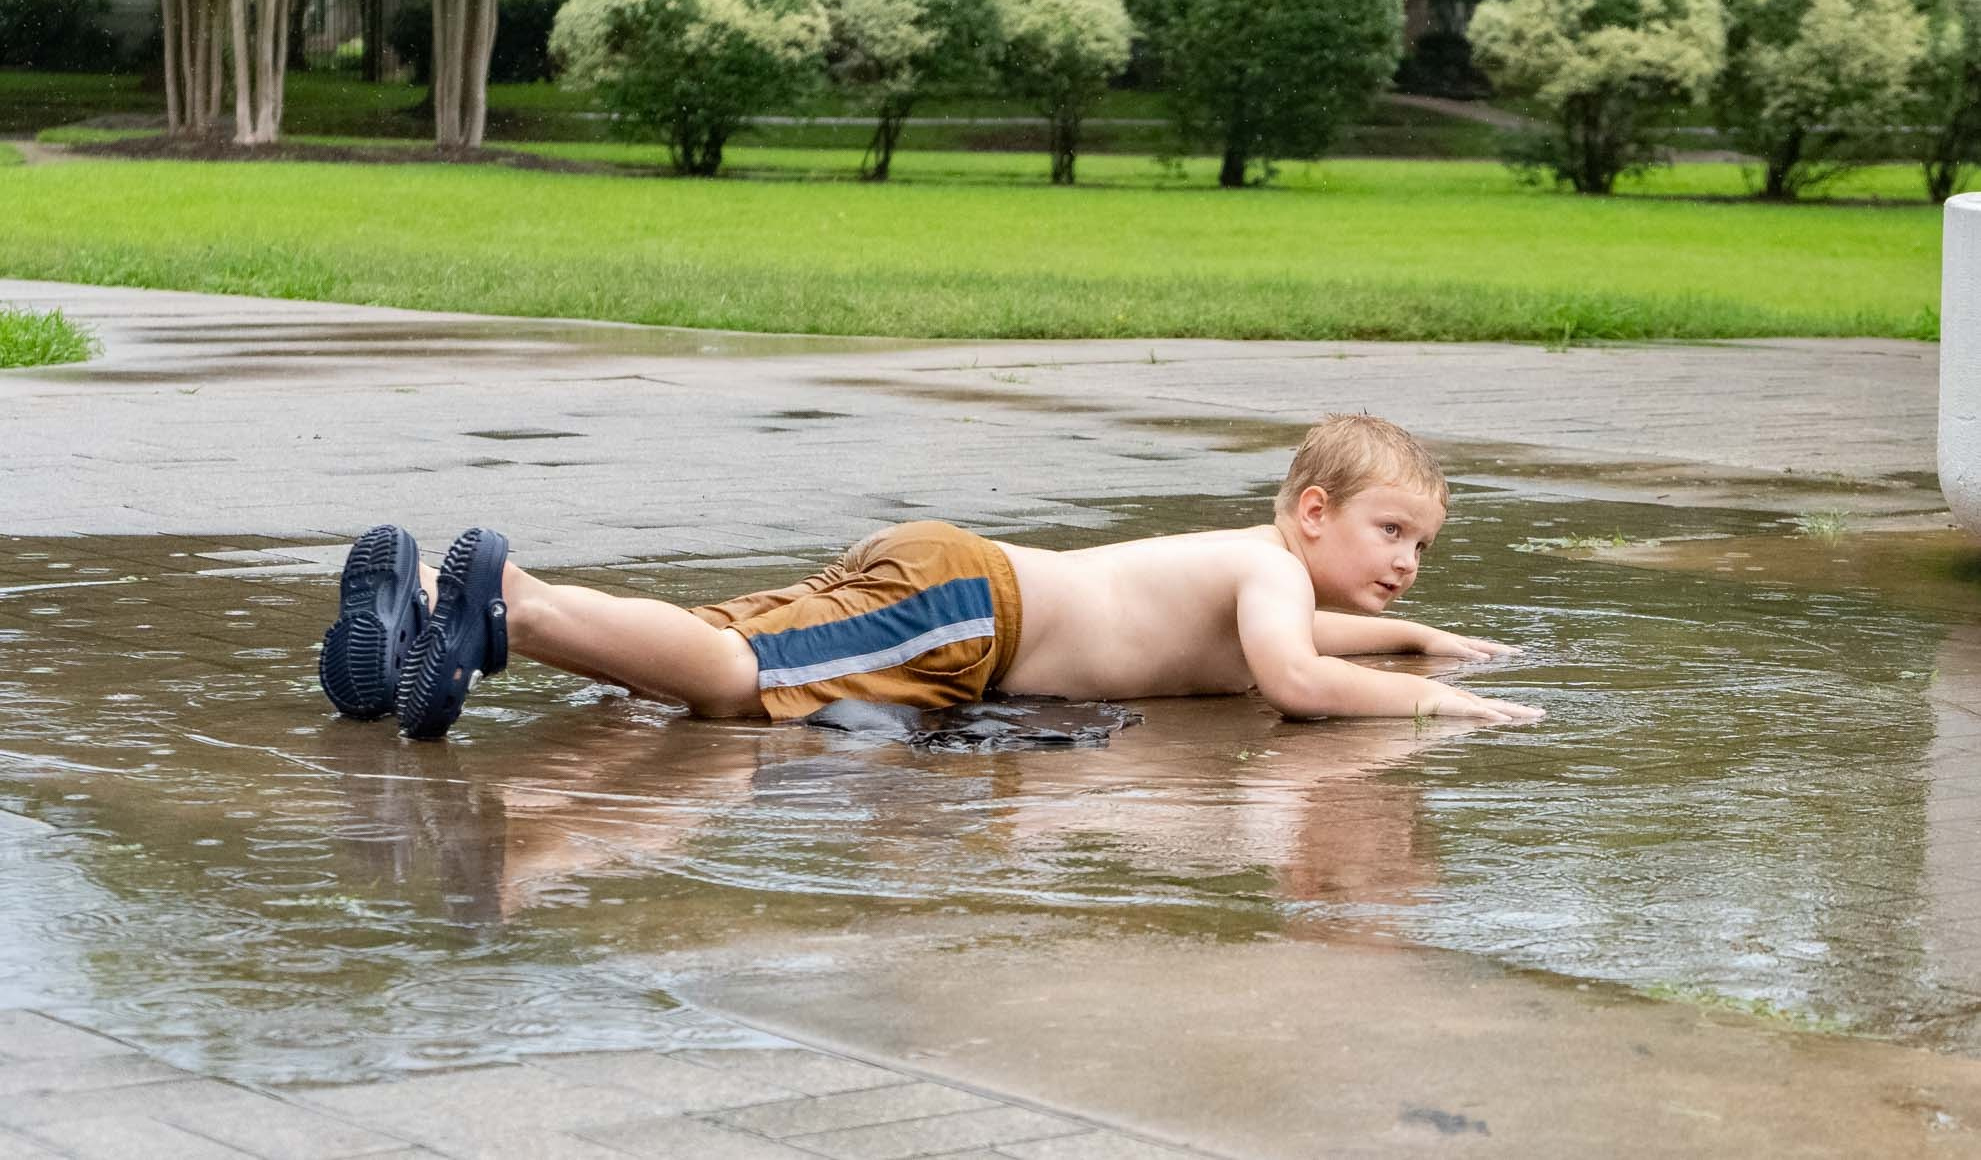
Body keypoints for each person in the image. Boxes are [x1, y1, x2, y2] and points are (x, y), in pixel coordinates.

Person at [319, 412, 1545, 740]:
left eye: (1422, 548)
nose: (1405, 561)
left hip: (957, 584)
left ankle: (434, 612)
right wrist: (1441, 703)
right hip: (973, 612)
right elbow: (1291, 678)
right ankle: (511, 598)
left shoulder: (1261, 572)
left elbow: (1315, 645)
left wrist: (1420, 638)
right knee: (740, 680)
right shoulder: (1269, 572)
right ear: (1311, 512)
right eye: (1392, 533)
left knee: (725, 648)